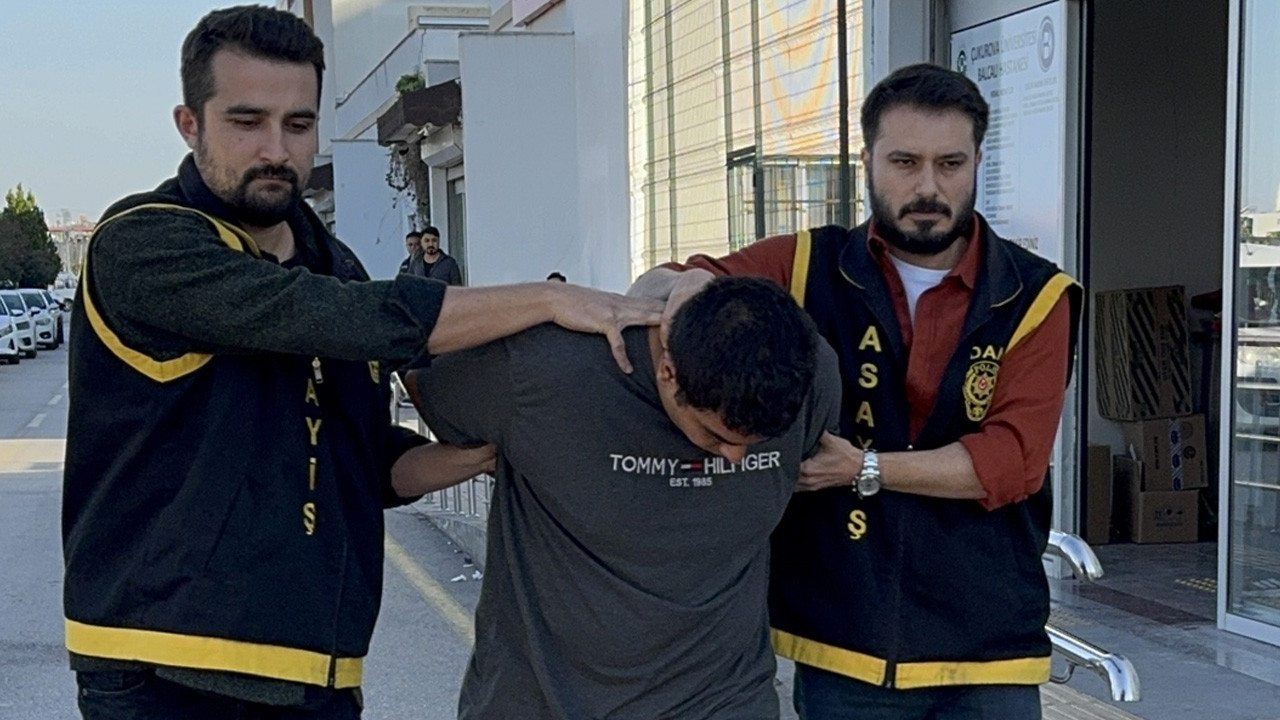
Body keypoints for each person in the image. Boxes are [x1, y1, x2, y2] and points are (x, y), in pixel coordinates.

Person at [61, 7, 660, 719]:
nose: (276, 149)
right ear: (190, 125)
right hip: (166, 670)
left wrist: (487, 450)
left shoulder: (335, 264)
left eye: (298, 124)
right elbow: (319, 316)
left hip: (319, 671)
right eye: (247, 122)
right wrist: (549, 299)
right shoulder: (144, 244)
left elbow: (363, 461)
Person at [630, 63, 1082, 719]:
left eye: (950, 164)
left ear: (978, 163)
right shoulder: (806, 263)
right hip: (845, 645)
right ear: (867, 162)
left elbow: (1013, 461)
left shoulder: (1036, 295)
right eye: (905, 162)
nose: (928, 187)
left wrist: (864, 468)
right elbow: (668, 282)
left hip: (988, 649)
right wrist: (683, 289)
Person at [406, 277, 841, 720]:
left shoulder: (808, 371)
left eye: (756, 444)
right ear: (668, 373)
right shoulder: (543, 368)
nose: (735, 458)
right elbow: (423, 386)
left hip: (724, 700)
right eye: (717, 436)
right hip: (541, 702)